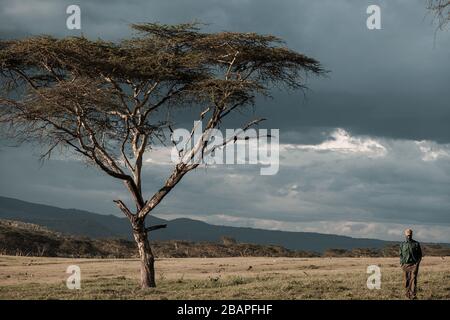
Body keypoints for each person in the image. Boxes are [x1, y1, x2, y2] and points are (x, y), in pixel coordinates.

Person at [399, 228, 422, 299]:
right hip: (405, 264)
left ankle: (413, 295)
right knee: (407, 279)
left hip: (414, 264)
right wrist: (401, 263)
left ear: (412, 235)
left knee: (413, 279)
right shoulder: (402, 244)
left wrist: (417, 264)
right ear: (405, 235)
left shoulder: (416, 244)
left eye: (410, 235)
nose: (409, 236)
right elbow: (401, 255)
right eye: (408, 235)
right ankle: (407, 294)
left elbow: (420, 255)